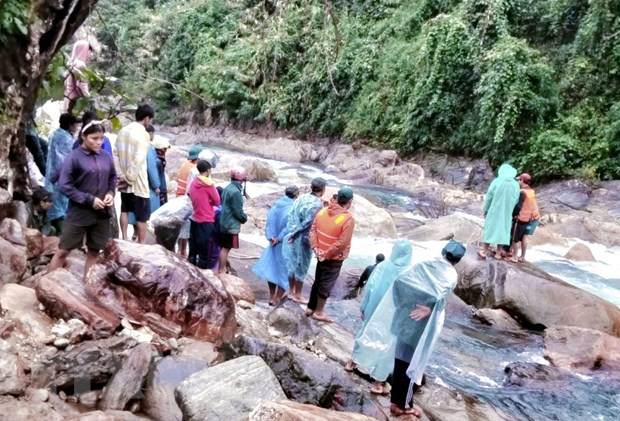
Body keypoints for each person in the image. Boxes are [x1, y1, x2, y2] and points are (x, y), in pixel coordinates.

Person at [47, 121, 116, 278]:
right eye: (94, 138)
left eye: (101, 138)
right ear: (83, 137)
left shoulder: (106, 157)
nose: (99, 142)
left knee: (94, 251)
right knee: (63, 250)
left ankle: (87, 287)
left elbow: (112, 177)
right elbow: (65, 185)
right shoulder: (73, 158)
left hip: (102, 213)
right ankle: (46, 285)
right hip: (79, 212)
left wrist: (111, 193)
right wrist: (88, 199)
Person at [344, 240, 412, 395]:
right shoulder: (409, 273)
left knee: (365, 334)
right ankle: (377, 383)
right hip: (394, 316)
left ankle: (351, 363)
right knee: (388, 347)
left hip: (373, 308)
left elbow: (370, 287)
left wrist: (363, 307)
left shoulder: (382, 266)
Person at [306, 186, 356, 323]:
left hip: (320, 253)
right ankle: (319, 312)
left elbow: (313, 230)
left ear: (337, 198)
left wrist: (316, 248)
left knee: (318, 280)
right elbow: (342, 243)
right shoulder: (348, 219)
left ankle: (310, 307)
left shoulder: (323, 211)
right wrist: (327, 254)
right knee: (326, 284)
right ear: (349, 201)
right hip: (333, 258)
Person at [252, 185, 300, 306]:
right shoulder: (292, 208)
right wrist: (279, 238)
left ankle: (271, 296)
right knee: (284, 272)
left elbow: (269, 223)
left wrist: (271, 237)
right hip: (284, 244)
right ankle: (277, 298)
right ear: (295, 196)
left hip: (273, 243)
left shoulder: (275, 206)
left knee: (272, 270)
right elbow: (289, 227)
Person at [114, 104, 154, 243]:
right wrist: (130, 177)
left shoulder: (122, 131)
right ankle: (141, 244)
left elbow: (116, 155)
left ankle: (124, 238)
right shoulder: (143, 134)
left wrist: (121, 176)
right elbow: (139, 158)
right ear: (147, 118)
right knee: (142, 216)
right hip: (138, 182)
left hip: (124, 180)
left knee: (124, 209)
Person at [282, 177, 327, 302]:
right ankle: (298, 294)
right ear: (322, 189)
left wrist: (291, 231)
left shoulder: (301, 197)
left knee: (292, 263)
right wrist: (295, 234)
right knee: (302, 266)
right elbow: (308, 223)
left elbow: (291, 214)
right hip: (304, 238)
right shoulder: (317, 204)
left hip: (293, 234)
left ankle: (291, 291)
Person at [45, 113, 79, 235]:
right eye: (75, 124)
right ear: (70, 126)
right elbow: (67, 160)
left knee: (56, 206)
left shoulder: (55, 134)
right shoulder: (66, 139)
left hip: (52, 176)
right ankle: (62, 235)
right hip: (61, 177)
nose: (77, 127)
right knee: (61, 208)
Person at [478, 163, 520, 259]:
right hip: (507, 211)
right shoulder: (515, 185)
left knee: (490, 228)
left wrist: (485, 209)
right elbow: (516, 199)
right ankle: (498, 253)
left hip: (494, 209)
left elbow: (489, 196)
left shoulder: (497, 181)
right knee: (503, 229)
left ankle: (484, 251)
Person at [188, 160, 221, 269]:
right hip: (206, 220)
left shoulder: (193, 183)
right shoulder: (209, 184)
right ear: (208, 170)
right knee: (204, 252)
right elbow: (217, 201)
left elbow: (192, 197)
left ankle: (191, 270)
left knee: (193, 250)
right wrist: (208, 202)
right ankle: (203, 274)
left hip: (195, 218)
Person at [218, 166, 249, 274]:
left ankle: (222, 268)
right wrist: (245, 218)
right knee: (226, 248)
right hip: (230, 225)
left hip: (223, 221)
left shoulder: (227, 187)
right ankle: (222, 269)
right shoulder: (236, 192)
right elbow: (238, 211)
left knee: (223, 247)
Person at [507, 173, 540, 263]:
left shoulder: (522, 192)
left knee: (515, 238)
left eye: (519, 180)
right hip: (531, 218)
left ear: (522, 180)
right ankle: (522, 256)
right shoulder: (531, 191)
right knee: (524, 237)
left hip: (521, 218)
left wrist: (514, 214)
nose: (518, 181)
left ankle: (514, 257)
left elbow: (518, 206)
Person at [176, 145, 203, 257]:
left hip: (178, 198)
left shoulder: (185, 166)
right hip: (186, 202)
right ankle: (183, 252)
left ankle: (179, 250)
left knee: (180, 228)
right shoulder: (194, 170)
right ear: (198, 158)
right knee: (186, 230)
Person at [63, 38, 92, 113]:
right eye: (89, 50)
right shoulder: (81, 65)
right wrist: (89, 99)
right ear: (83, 50)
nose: (90, 53)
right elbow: (81, 86)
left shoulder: (71, 63)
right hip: (76, 103)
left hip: (68, 99)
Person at [153, 135, 170, 206]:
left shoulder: (153, 158)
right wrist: (164, 191)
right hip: (159, 191)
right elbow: (161, 178)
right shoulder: (158, 162)